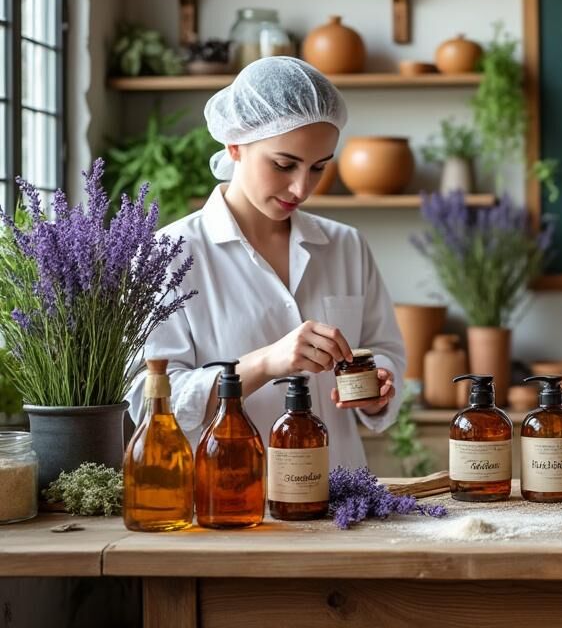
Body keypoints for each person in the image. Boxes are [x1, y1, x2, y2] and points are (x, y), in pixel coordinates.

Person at [128, 56, 405, 470]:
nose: (301, 187)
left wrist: (379, 385)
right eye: (284, 164)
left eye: (318, 169)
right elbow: (150, 400)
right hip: (231, 503)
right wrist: (264, 363)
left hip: (341, 495)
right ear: (235, 144)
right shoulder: (170, 253)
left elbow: (385, 351)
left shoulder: (346, 245)